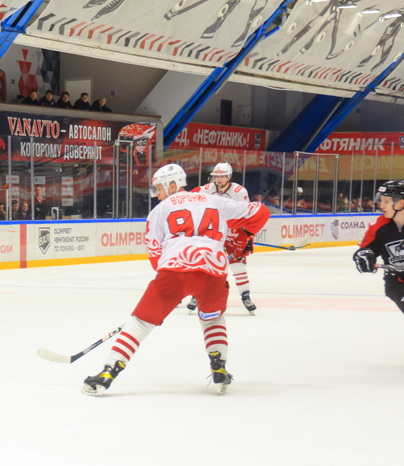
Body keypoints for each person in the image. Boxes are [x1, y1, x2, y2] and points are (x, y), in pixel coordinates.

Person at [81, 163, 269, 396]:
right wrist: (241, 236)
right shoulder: (215, 200)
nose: (157, 194)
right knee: (212, 318)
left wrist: (173, 285)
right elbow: (260, 212)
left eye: (159, 188)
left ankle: (107, 372)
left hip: (174, 271)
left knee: (140, 322)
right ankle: (219, 368)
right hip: (213, 272)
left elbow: (155, 255)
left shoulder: (159, 211)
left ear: (173, 185)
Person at [352, 180, 404, 373]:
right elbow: (364, 251)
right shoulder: (378, 226)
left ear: (401, 203)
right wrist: (364, 257)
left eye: (386, 201)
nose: (380, 205)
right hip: (399, 281)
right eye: (380, 200)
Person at [188, 162, 257, 314]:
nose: (218, 179)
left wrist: (245, 234)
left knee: (237, 264)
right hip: (214, 234)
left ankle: (245, 296)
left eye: (222, 176)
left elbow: (247, 213)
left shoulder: (239, 191)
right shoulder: (207, 189)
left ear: (229, 176)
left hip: (233, 234)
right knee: (206, 262)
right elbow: (189, 195)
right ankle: (196, 294)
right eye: (216, 176)